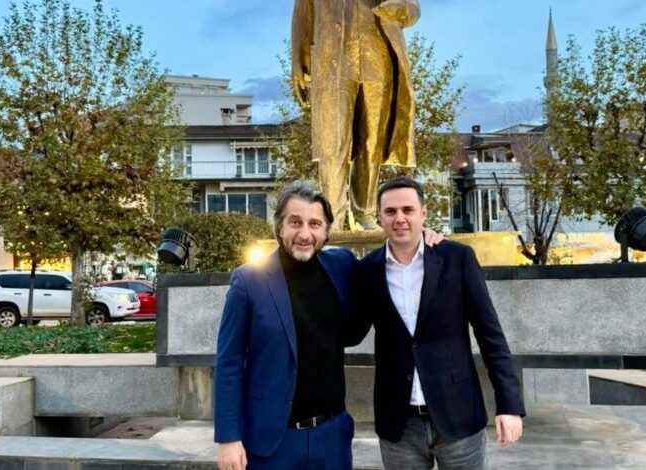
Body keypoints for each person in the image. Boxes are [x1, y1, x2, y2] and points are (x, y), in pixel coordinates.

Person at [213, 180, 441, 470]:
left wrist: (425, 237)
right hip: (271, 440)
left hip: (331, 438)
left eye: (315, 224)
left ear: (326, 231)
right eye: (295, 222)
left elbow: (389, 262)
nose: (304, 234)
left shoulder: (341, 265)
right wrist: (228, 438)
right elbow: (228, 363)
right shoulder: (248, 281)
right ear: (279, 226)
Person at [350, 177, 525, 469]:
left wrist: (509, 405)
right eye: (390, 211)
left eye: (408, 210)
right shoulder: (368, 270)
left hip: (458, 415)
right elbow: (352, 331)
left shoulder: (456, 258)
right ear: (379, 217)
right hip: (399, 425)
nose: (399, 218)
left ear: (423, 213)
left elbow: (490, 334)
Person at [292, 0, 420, 230]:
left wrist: (399, 8)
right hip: (332, 62)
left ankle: (365, 212)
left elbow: (413, 8)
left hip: (378, 58)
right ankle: (332, 215)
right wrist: (299, 62)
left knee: (372, 142)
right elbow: (303, 15)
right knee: (332, 142)